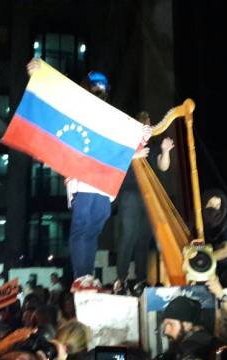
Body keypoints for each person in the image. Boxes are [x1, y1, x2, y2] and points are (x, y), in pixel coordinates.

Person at [26, 59, 151, 291]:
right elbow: (57, 99)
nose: (99, 89)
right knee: (82, 225)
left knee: (95, 226)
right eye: (95, 84)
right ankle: (79, 275)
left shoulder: (110, 115)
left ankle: (87, 274)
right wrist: (38, 76)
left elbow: (119, 144)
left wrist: (141, 139)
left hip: (103, 182)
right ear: (86, 86)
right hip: (82, 176)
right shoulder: (77, 107)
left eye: (103, 86)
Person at [115, 111, 174, 288]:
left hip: (150, 196)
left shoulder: (154, 145)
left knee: (144, 238)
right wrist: (135, 155)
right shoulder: (125, 143)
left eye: (149, 124)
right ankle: (122, 278)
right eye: (144, 124)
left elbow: (163, 166)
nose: (148, 127)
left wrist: (165, 151)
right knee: (129, 236)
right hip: (129, 194)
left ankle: (140, 278)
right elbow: (115, 161)